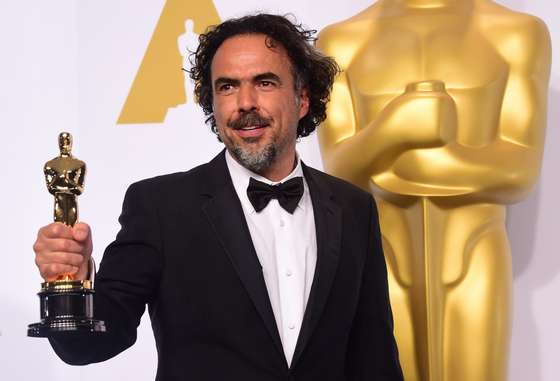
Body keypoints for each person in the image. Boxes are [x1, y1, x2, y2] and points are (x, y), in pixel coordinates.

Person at [33, 14, 404, 381]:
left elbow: (374, 359)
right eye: (227, 86)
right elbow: (90, 345)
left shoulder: (354, 208)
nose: (245, 103)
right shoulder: (161, 206)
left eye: (265, 82)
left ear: (302, 98)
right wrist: (70, 285)